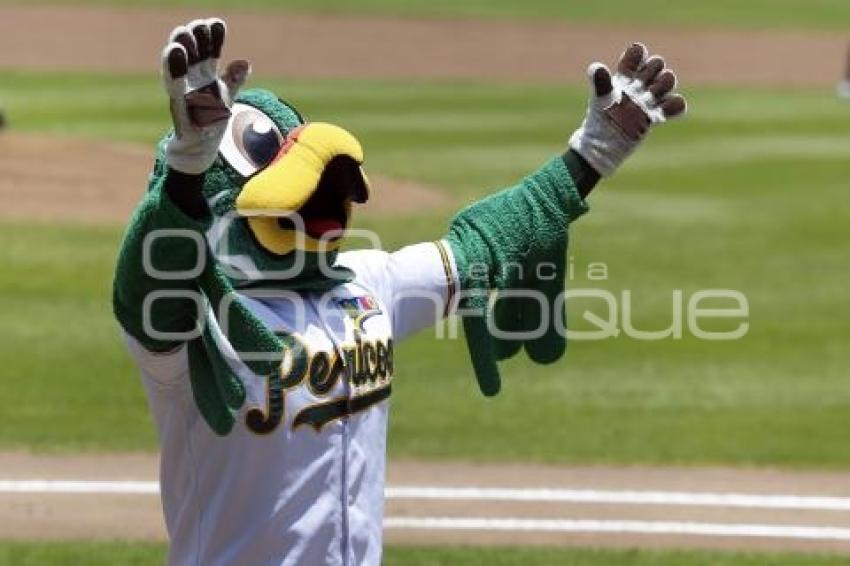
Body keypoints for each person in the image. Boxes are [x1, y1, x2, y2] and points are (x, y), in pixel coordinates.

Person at [113, 17, 687, 565]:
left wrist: (592, 154)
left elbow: (486, 243)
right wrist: (188, 170)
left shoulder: (367, 285)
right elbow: (146, 276)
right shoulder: (193, 324)